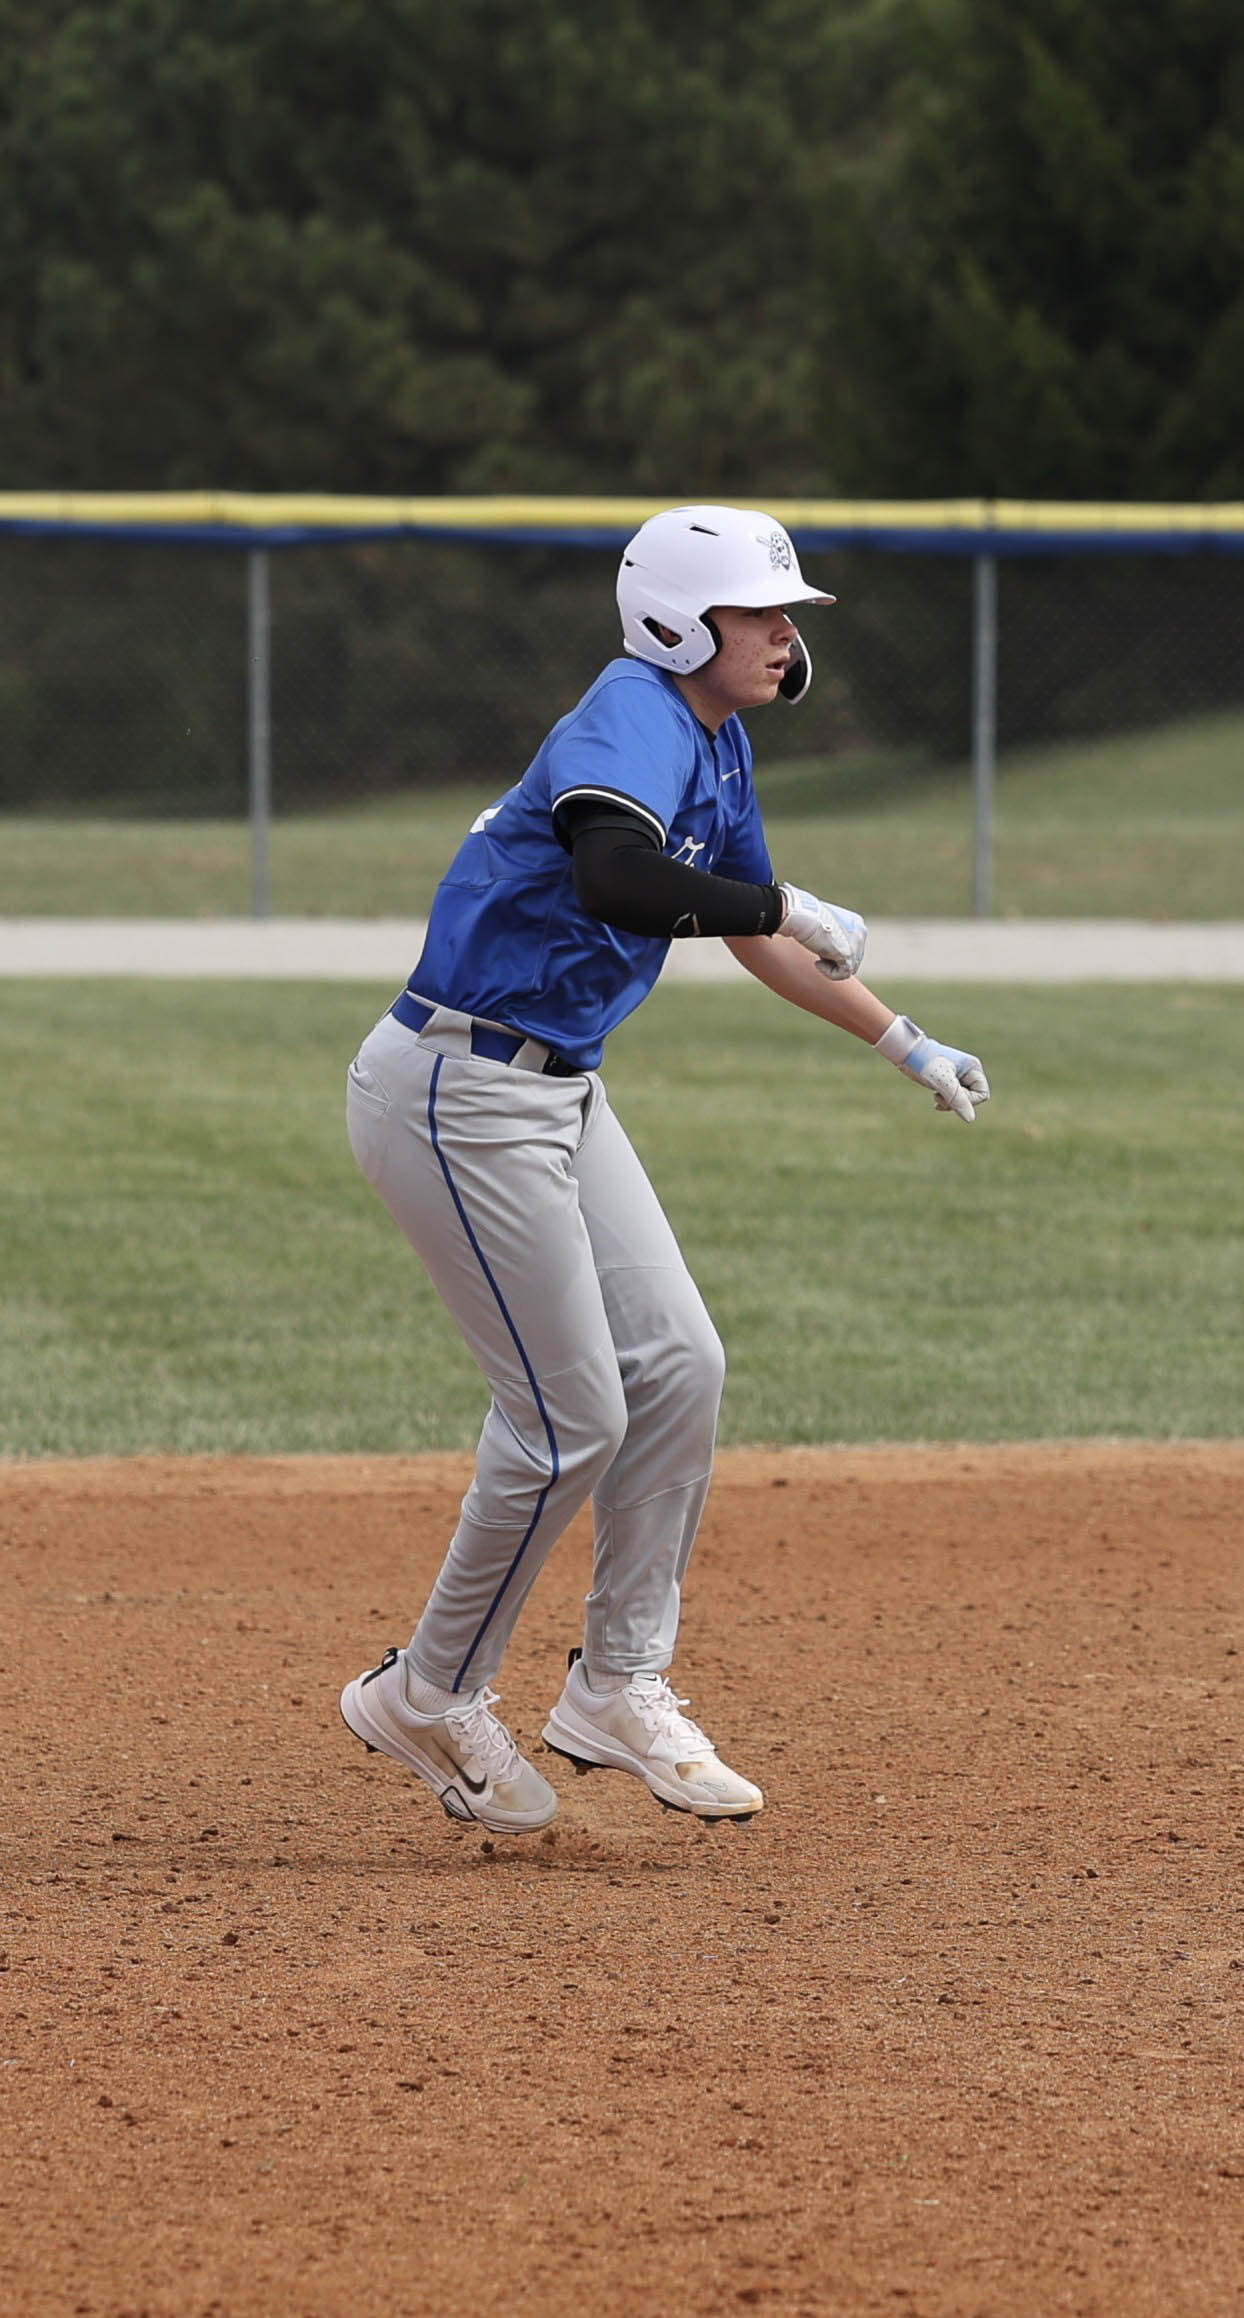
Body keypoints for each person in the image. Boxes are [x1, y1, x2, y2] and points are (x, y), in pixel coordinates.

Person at [338, 505, 990, 1833]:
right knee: (566, 1419)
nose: (783, 636)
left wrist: (901, 1037)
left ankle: (615, 1684)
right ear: (678, 624)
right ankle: (429, 1692)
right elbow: (622, 880)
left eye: (787, 614)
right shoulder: (630, 717)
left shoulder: (713, 738)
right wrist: (785, 903)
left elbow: (751, 926)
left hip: (554, 1087)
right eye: (758, 612)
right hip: (460, 1090)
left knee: (681, 1364)